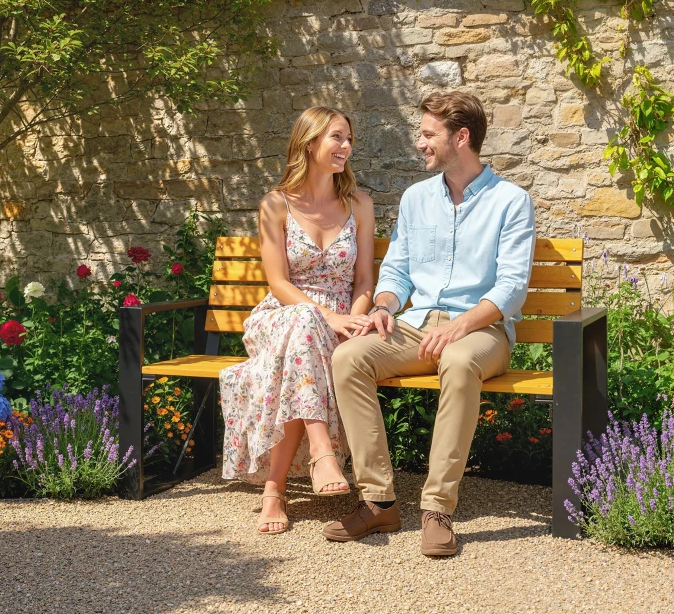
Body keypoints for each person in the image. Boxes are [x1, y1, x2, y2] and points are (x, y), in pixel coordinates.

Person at [324, 91, 536, 556]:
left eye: (427, 134)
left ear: (461, 137)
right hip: (417, 325)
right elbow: (396, 272)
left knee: (458, 361)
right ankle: (378, 501)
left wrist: (460, 326)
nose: (419, 143)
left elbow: (511, 287)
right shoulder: (416, 198)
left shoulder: (511, 201)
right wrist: (383, 306)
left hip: (482, 331)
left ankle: (437, 509)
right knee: (349, 358)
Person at [220, 106, 376, 534]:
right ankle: (322, 451)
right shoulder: (276, 205)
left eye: (348, 139)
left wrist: (352, 321)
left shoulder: (359, 204)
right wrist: (327, 317)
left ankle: (274, 490)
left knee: (297, 358)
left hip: (338, 320)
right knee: (304, 324)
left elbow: (364, 280)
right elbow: (278, 282)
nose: (346, 146)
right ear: (309, 143)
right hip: (282, 315)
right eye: (337, 137)